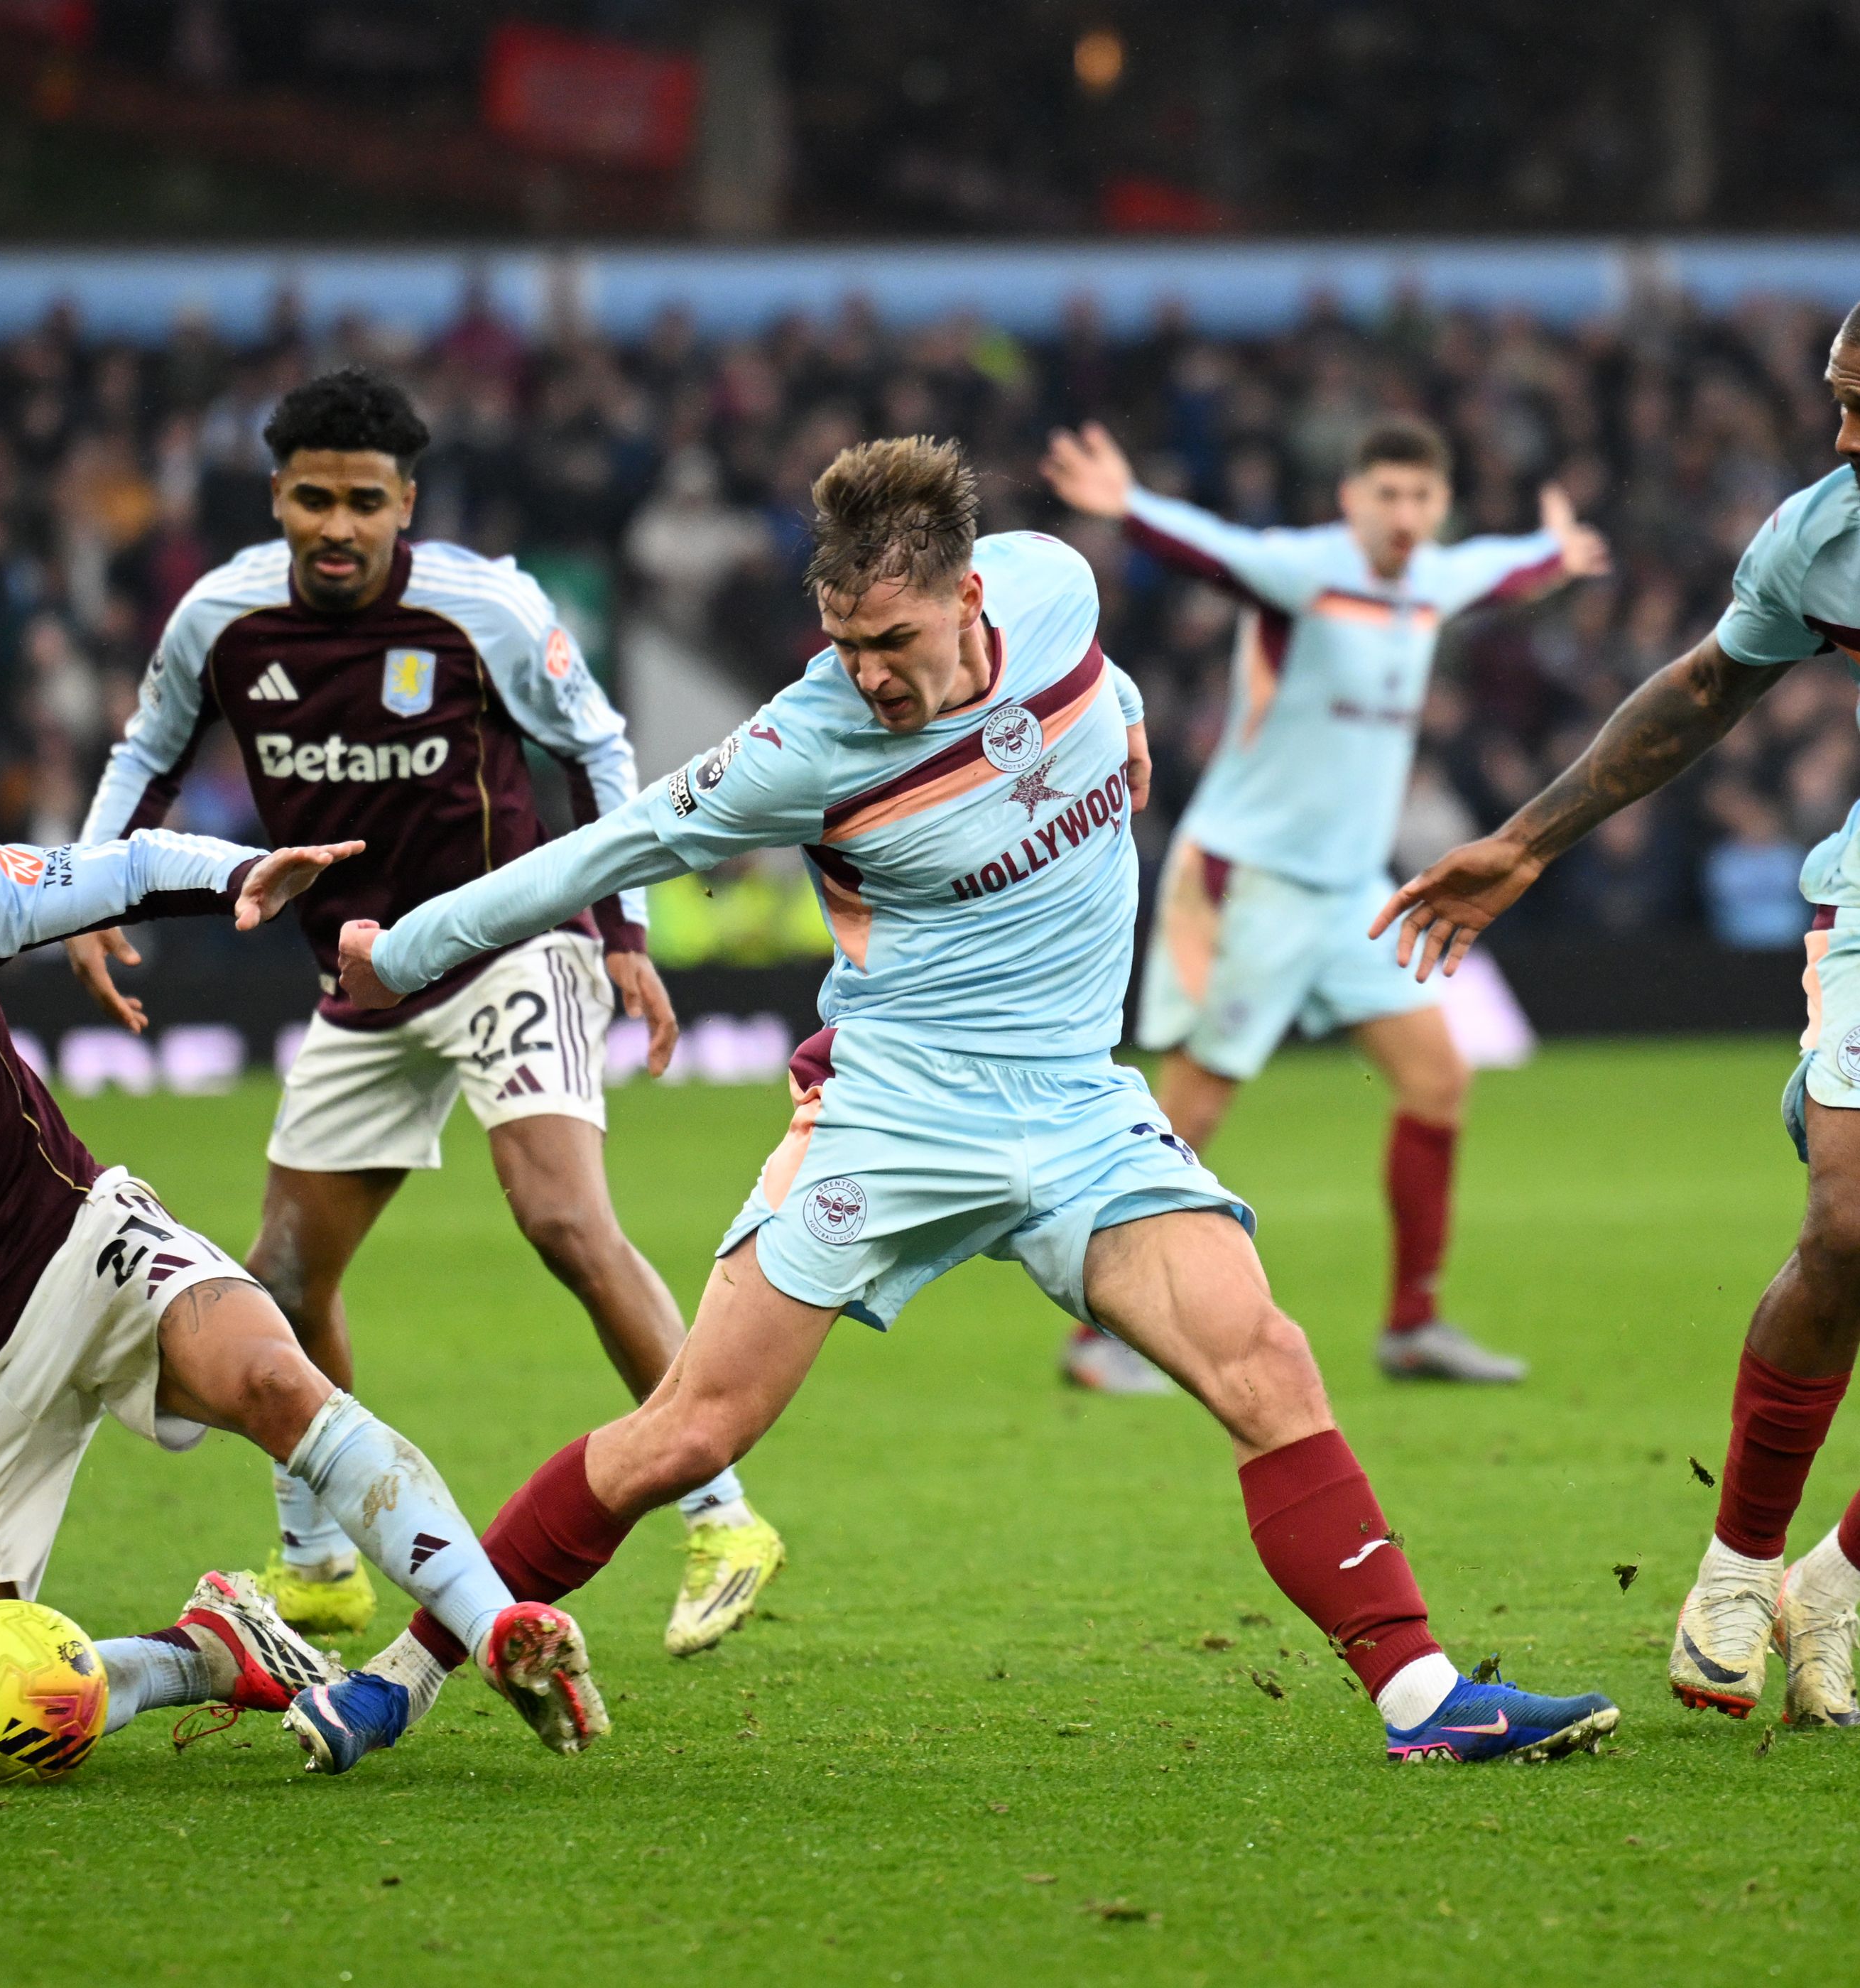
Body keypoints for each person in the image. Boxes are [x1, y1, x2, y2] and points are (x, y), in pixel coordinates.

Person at [290, 435, 1618, 1774]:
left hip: (1082, 1112)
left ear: (971, 596)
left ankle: (1426, 1699)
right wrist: (395, 951)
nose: (868, 670)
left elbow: (1107, 677)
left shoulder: (1056, 588)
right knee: (687, 1433)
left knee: (1265, 1361)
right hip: (897, 1118)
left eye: (894, 638)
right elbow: (604, 846)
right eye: (844, 639)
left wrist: (1139, 729)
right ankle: (399, 1678)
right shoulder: (800, 747)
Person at [72, 369, 783, 1654]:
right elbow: (147, 753)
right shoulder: (221, 617)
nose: (335, 527)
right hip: (359, 981)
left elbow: (597, 750)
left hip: (512, 942)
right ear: (277, 498)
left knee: (563, 1220)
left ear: (406, 503)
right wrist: (87, 894)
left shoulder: (486, 606)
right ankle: (320, 1560)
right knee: (284, 1276)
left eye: (362, 502)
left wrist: (620, 932)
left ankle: (724, 1513)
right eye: (310, 500)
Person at [0, 830, 604, 1777]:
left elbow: (124, 871)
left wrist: (233, 874)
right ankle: (205, 1651)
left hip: (78, 1249)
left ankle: (493, 1623)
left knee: (269, 1376)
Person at [1374, 303, 1860, 1728]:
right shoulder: (1820, 534)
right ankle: (1736, 1559)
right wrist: (1526, 840)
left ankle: (1833, 1579)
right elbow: (1710, 681)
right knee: (1847, 1222)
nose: (1840, 433)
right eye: (1835, 399)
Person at [1040, 417, 1609, 1386]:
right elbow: (1210, 550)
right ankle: (1100, 1337)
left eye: (1420, 498)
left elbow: (1498, 572)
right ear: (1351, 499)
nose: (1403, 514)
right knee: (1191, 1111)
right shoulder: (1304, 572)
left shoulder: (1427, 582)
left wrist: (1556, 552)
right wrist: (1128, 507)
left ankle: (1412, 1326)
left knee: (1438, 1080)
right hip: (1249, 879)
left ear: (1439, 507)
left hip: (1352, 891)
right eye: (1385, 494)